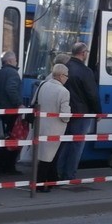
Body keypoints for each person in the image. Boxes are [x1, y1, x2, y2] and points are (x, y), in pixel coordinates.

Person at [57, 42, 101, 180]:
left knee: (64, 143)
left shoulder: (65, 68)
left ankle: (57, 172)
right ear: (83, 53)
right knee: (77, 145)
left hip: (65, 112)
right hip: (81, 113)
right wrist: (98, 112)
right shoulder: (85, 71)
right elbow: (92, 94)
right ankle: (69, 175)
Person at [34, 63, 71, 192]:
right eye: (66, 76)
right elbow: (65, 116)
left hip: (41, 125)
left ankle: (52, 180)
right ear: (61, 76)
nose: (67, 78)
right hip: (55, 128)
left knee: (47, 155)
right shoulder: (63, 91)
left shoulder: (43, 85)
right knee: (47, 158)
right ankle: (40, 184)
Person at [0, 50, 24, 175]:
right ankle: (7, 166)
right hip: (11, 111)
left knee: (6, 137)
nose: (16, 61)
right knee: (14, 138)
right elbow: (11, 89)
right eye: (15, 59)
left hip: (1, 111)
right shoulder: (13, 74)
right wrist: (19, 104)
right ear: (10, 61)